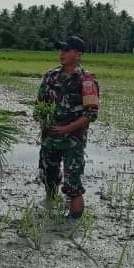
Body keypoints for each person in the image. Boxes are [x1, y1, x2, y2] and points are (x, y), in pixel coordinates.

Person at [36, 35, 99, 219]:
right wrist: (43, 121)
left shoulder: (86, 81)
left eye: (66, 50)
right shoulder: (50, 76)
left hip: (73, 140)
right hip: (50, 138)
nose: (61, 53)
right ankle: (50, 208)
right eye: (60, 50)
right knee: (49, 176)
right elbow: (39, 105)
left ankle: (74, 222)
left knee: (73, 182)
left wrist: (67, 129)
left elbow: (91, 114)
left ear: (78, 55)